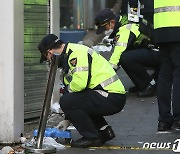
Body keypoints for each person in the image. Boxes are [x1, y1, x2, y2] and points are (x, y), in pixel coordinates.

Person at [38, 34, 126, 148]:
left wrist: (66, 95)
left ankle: (92, 138)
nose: (49, 61)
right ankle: (104, 132)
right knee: (74, 99)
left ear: (50, 52)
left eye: (46, 58)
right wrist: (68, 119)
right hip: (108, 95)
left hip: (111, 96)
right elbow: (80, 97)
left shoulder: (76, 54)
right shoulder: (69, 55)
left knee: (66, 100)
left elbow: (80, 84)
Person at [95, 8, 160, 97]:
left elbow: (117, 53)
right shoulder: (123, 21)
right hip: (153, 51)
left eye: (105, 27)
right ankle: (140, 84)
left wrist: (104, 77)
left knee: (126, 58)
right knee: (126, 55)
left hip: (158, 52)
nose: (104, 31)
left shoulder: (125, 28)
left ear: (112, 22)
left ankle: (149, 85)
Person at [154, 0, 180, 131]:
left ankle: (164, 120)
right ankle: (178, 117)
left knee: (165, 73)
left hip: (161, 29)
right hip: (178, 27)